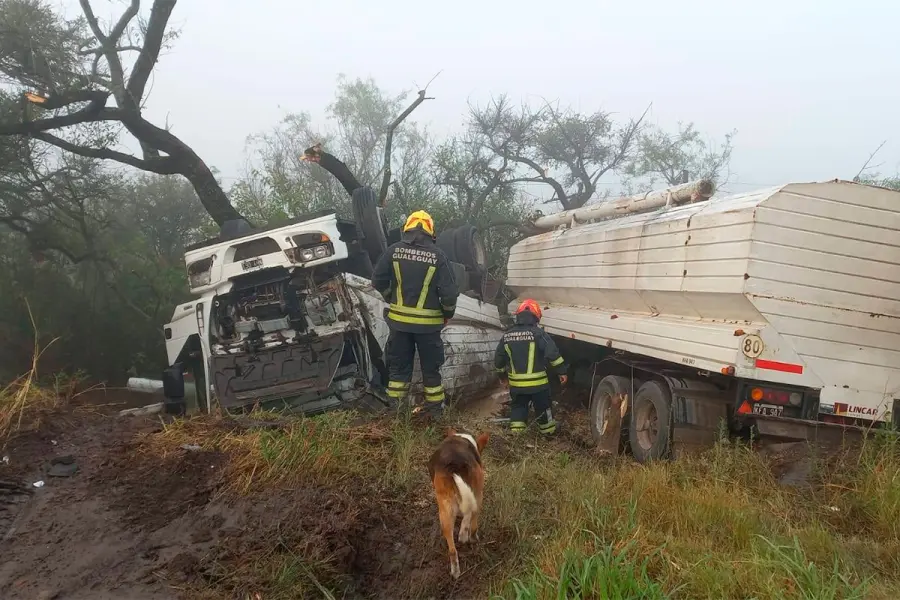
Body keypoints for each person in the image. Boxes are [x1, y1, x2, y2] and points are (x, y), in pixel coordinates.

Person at [372, 210, 459, 418]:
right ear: (431, 232)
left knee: (398, 371)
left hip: (399, 325)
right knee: (431, 371)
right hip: (429, 327)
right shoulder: (438, 256)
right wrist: (447, 314)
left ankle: (397, 415)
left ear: (407, 229)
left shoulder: (393, 251)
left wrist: (390, 297)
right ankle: (435, 415)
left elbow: (377, 280)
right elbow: (449, 294)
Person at [494, 299, 568, 435]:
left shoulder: (507, 336)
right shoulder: (539, 334)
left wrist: (502, 377)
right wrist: (562, 371)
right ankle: (548, 434)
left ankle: (517, 437)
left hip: (517, 386)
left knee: (518, 408)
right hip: (538, 386)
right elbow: (552, 353)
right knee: (543, 408)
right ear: (536, 317)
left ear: (518, 316)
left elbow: (499, 359)